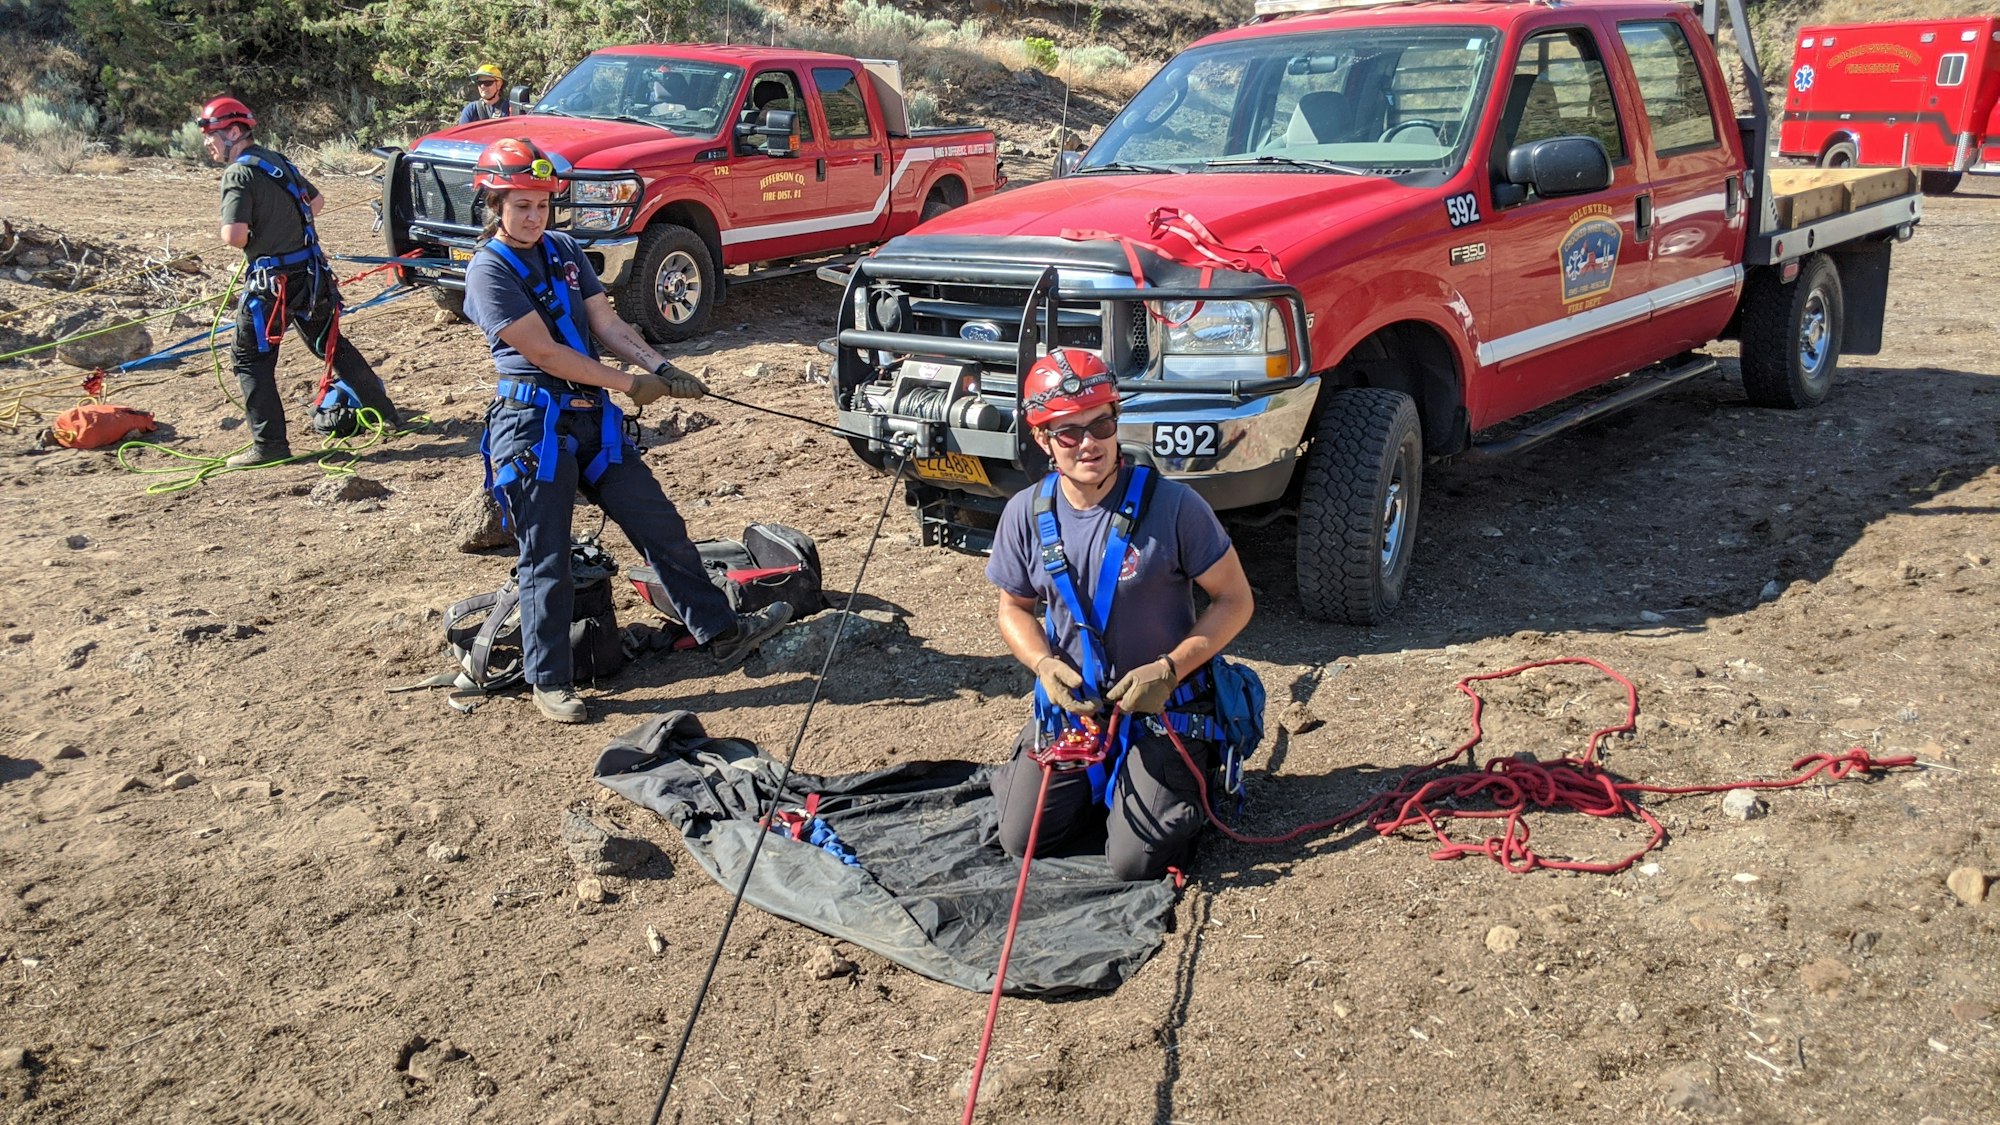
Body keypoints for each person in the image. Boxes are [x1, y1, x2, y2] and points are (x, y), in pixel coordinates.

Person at [460, 138, 791, 724]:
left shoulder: (563, 248)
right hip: (533, 424)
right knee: (547, 556)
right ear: (494, 205)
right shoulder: (488, 270)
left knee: (658, 523)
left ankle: (718, 630)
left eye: (541, 204)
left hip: (591, 419)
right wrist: (625, 383)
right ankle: (549, 679)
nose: (534, 217)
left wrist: (659, 367)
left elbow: (604, 321)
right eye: (521, 206)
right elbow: (543, 352)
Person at [985, 348, 1255, 881]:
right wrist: (1043, 665)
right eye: (1069, 432)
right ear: (1042, 440)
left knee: (1134, 863)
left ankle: (1176, 779)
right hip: (1078, 710)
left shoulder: (1175, 507)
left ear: (1116, 421)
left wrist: (1171, 669)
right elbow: (1013, 608)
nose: (1090, 443)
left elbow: (1235, 600)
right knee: (1022, 839)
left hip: (1165, 710)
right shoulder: (1025, 515)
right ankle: (1102, 782)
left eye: (1102, 423)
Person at [200, 95, 401, 467]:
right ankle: (387, 415)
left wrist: (265, 234)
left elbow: (234, 236)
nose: (207, 143)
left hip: (272, 286)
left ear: (232, 131)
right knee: (332, 346)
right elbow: (318, 201)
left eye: (211, 134)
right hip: (309, 277)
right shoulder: (276, 161)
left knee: (249, 360)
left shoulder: (238, 173)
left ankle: (269, 445)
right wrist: (286, 229)